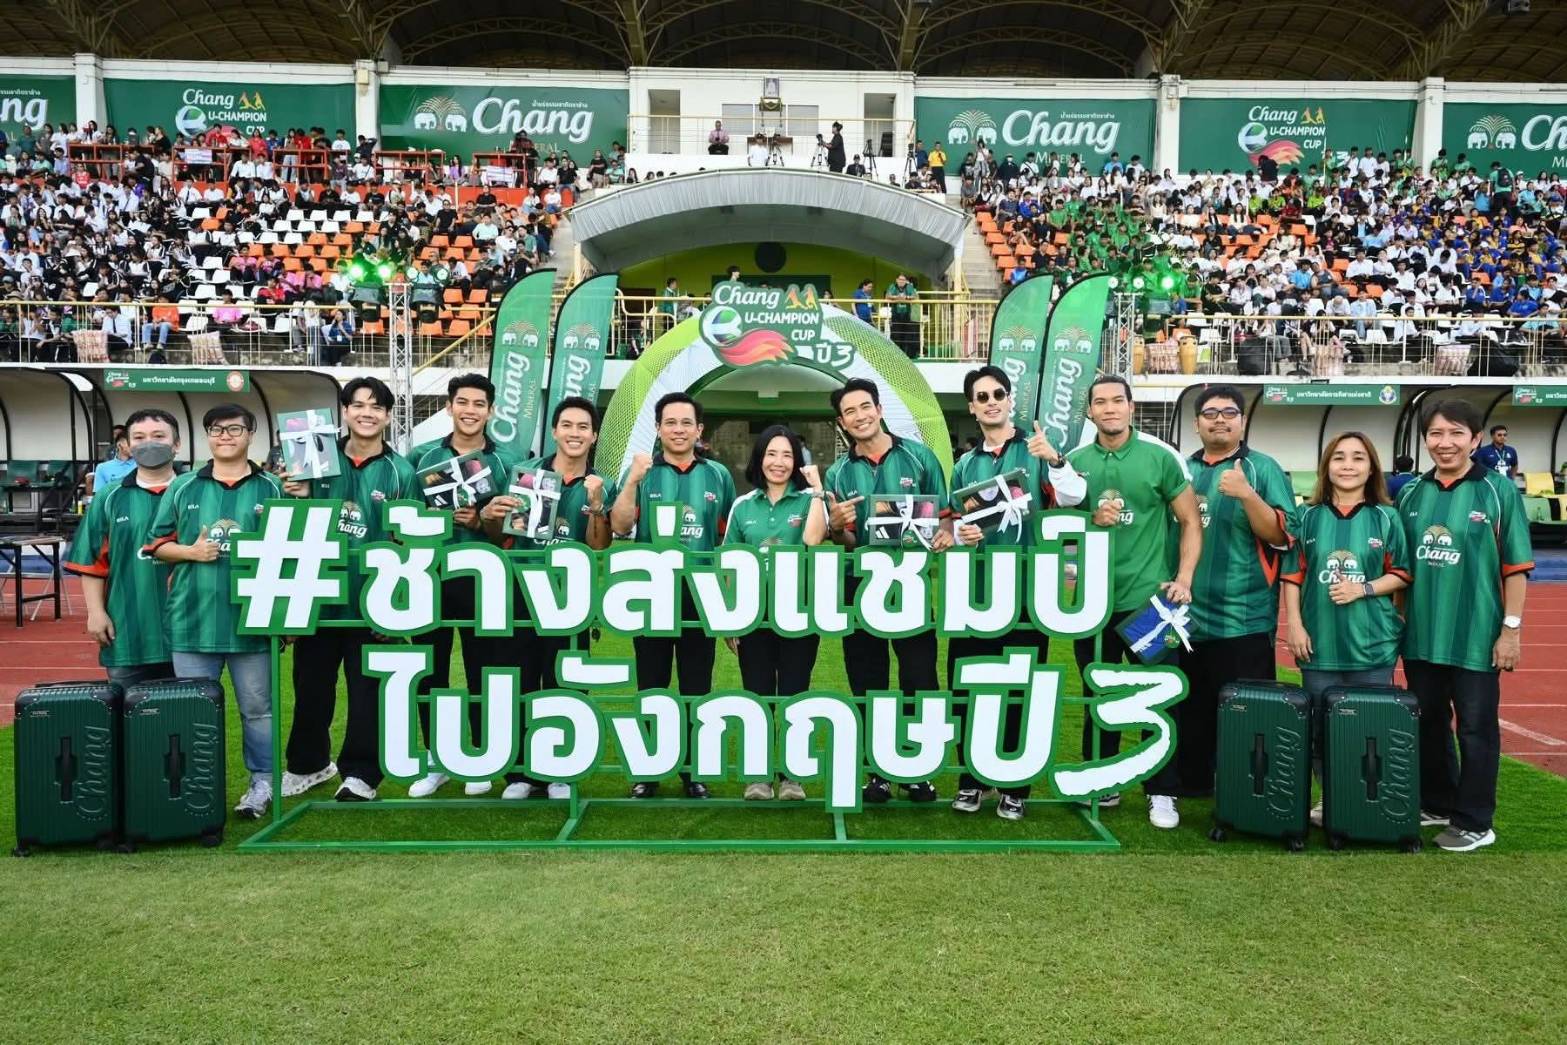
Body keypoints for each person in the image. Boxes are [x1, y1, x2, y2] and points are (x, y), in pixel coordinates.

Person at [1056, 375, 1201, 829]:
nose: (1110, 408)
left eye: (1117, 400)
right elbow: (1061, 528)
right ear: (1090, 412)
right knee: (1099, 694)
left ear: (1131, 406)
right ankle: (1104, 781)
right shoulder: (1075, 462)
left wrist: (1184, 579)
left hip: (1151, 604)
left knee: (1158, 698)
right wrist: (1088, 523)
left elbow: (1190, 521)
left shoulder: (1160, 456)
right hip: (1092, 604)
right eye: (1100, 402)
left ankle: (1162, 792)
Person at [947, 366, 1083, 820]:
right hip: (976, 594)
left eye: (998, 394)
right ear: (972, 407)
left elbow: (1073, 498)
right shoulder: (965, 464)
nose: (991, 402)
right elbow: (956, 524)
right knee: (969, 688)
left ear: (1009, 400)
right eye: (982, 396)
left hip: (1027, 594)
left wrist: (1056, 460)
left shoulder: (1037, 448)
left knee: (1020, 690)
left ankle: (1014, 785)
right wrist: (962, 534)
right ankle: (972, 780)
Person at [1398, 399, 1532, 852]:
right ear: (1425, 440)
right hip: (1421, 637)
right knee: (1428, 723)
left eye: (1456, 433)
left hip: (1476, 637)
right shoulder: (1412, 492)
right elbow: (1401, 569)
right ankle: (1438, 802)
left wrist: (1510, 629)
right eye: (1436, 433)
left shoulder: (1498, 491)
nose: (1445, 443)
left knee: (1476, 729)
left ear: (1475, 439)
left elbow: (1516, 566)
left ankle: (1476, 821)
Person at [144, 403, 285, 820]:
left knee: (257, 711)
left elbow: (290, 554)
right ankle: (195, 788)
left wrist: (285, 618)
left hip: (253, 622)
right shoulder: (183, 486)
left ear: (251, 435)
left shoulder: (272, 488)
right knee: (192, 711)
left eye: (235, 429)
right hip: (193, 622)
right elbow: (156, 546)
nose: (225, 436)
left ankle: (263, 784)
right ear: (207, 436)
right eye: (217, 429)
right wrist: (191, 551)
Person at [279, 378, 416, 803]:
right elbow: (291, 527)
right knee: (311, 690)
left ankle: (361, 774)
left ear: (388, 416)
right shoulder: (313, 456)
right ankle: (308, 765)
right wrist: (297, 494)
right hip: (318, 596)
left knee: (367, 694)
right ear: (343, 411)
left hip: (372, 601)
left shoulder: (400, 471)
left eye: (376, 407)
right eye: (357, 405)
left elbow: (409, 543)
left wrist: (397, 606)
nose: (366, 413)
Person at [824, 378, 953, 803]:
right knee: (868, 682)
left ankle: (917, 771)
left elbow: (944, 516)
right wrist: (836, 528)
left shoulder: (919, 457)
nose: (859, 416)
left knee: (919, 679)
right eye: (850, 412)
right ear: (841, 422)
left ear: (879, 409)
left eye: (865, 407)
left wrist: (945, 532)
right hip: (861, 590)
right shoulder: (838, 472)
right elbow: (845, 541)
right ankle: (877, 772)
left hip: (911, 587)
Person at [483, 396, 614, 800]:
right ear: (555, 431)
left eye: (583, 427)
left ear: (594, 436)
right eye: (567, 425)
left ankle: (561, 769)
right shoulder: (527, 475)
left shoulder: (600, 483)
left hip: (571, 599)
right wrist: (490, 516)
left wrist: (596, 506)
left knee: (565, 683)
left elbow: (599, 546)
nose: (575, 433)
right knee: (520, 682)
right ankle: (521, 774)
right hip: (522, 595)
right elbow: (502, 538)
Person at [610, 392, 736, 798]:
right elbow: (619, 526)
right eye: (670, 422)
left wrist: (728, 605)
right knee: (652, 684)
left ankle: (692, 770)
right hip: (651, 596)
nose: (678, 430)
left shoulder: (718, 475)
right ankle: (648, 770)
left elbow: (727, 541)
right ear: (658, 428)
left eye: (686, 423)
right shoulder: (642, 472)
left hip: (700, 597)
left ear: (699, 430)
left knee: (696, 686)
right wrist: (632, 480)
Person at [1282, 431, 1411, 823]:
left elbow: (1402, 573)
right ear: (1327, 467)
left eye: (1358, 457)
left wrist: (1363, 588)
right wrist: (1295, 625)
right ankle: (1329, 797)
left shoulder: (1386, 517)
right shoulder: (1308, 516)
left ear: (1371, 468)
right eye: (1339, 457)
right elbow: (1293, 576)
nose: (1348, 465)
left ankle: (1366, 798)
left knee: (1369, 729)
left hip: (1372, 644)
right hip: (1319, 644)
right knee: (1320, 727)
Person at [1180, 386, 1296, 799]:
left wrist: (1248, 495)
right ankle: (1193, 784)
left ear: (1243, 421)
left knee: (1246, 715)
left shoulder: (1263, 468)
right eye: (1210, 413)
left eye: (1229, 412)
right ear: (1196, 424)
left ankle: (1246, 791)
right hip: (1186, 618)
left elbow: (1282, 536)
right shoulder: (1183, 469)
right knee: (1190, 710)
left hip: (1243, 617)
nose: (1220, 419)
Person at [404, 374, 517, 798]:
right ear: (449, 406)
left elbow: (512, 533)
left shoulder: (505, 462)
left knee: (482, 671)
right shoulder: (421, 457)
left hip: (483, 578)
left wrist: (482, 522)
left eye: (479, 404)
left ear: (490, 411)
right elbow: (403, 519)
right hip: (428, 574)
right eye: (463, 402)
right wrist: (434, 520)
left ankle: (480, 758)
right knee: (428, 670)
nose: (470, 411)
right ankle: (437, 760)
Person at [723, 424, 828, 801]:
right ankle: (758, 776)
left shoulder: (810, 500)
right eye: (771, 454)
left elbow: (814, 539)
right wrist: (730, 620)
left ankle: (792, 777)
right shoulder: (743, 505)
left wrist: (817, 491)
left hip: (799, 616)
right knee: (758, 696)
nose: (779, 462)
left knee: (796, 694)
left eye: (787, 455)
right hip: (754, 618)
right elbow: (729, 565)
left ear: (797, 462)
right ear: (760, 459)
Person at [67, 409, 180, 688]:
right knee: (127, 711)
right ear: (128, 446)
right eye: (139, 437)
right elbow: (92, 561)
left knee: (187, 711)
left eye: (158, 436)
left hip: (190, 632)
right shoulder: (109, 497)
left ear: (176, 444)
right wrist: (95, 613)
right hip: (126, 631)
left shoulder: (195, 491)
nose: (149, 443)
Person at [88, 432, 135, 497]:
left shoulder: (142, 465)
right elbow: (99, 496)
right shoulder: (102, 467)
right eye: (130, 443)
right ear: (119, 445)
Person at [885, 273, 919, 358]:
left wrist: (906, 297)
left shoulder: (909, 287)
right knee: (895, 335)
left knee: (906, 335)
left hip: (906, 314)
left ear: (906, 281)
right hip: (896, 314)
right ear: (897, 280)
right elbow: (887, 296)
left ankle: (905, 356)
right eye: (900, 279)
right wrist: (897, 297)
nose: (901, 281)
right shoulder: (893, 286)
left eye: (903, 280)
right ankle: (896, 356)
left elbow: (914, 296)